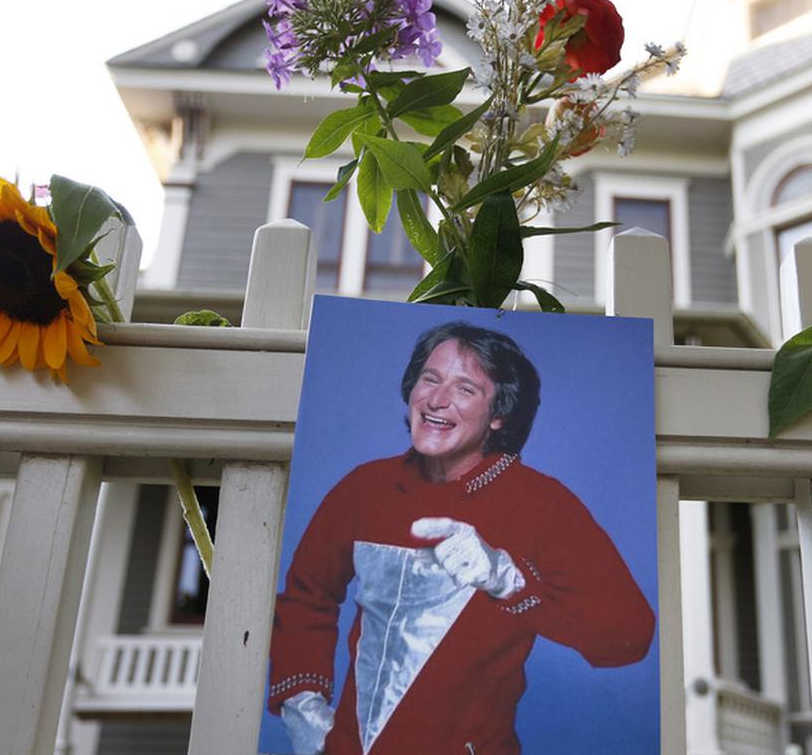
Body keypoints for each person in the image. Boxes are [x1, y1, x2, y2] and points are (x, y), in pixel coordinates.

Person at [268, 321, 655, 755]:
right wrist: (301, 702)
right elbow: (306, 595)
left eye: (465, 389)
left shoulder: (543, 504)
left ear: (499, 415)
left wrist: (507, 579)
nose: (436, 400)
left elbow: (629, 637)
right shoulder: (364, 488)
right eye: (429, 379)